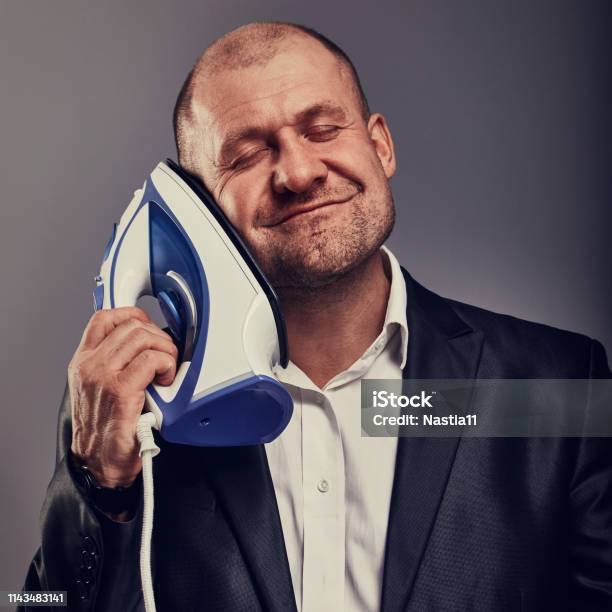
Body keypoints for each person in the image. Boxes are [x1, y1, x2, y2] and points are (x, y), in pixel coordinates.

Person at [22, 21, 612, 612]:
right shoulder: (128, 409)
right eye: (247, 155)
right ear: (198, 210)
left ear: (380, 146)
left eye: (323, 128)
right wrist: (99, 485)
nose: (299, 173)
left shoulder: (558, 382)